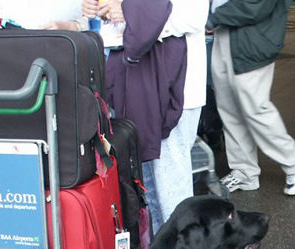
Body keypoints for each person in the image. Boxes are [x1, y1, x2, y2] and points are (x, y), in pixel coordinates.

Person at [83, 0, 208, 236]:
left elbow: (193, 17)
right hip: (131, 86)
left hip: (174, 90)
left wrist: (130, 11)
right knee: (144, 184)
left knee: (170, 188)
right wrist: (95, 13)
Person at [208, 0, 295, 196]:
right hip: (225, 32)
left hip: (252, 36)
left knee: (256, 109)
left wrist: (210, 18)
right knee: (229, 108)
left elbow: (254, 6)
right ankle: (244, 171)